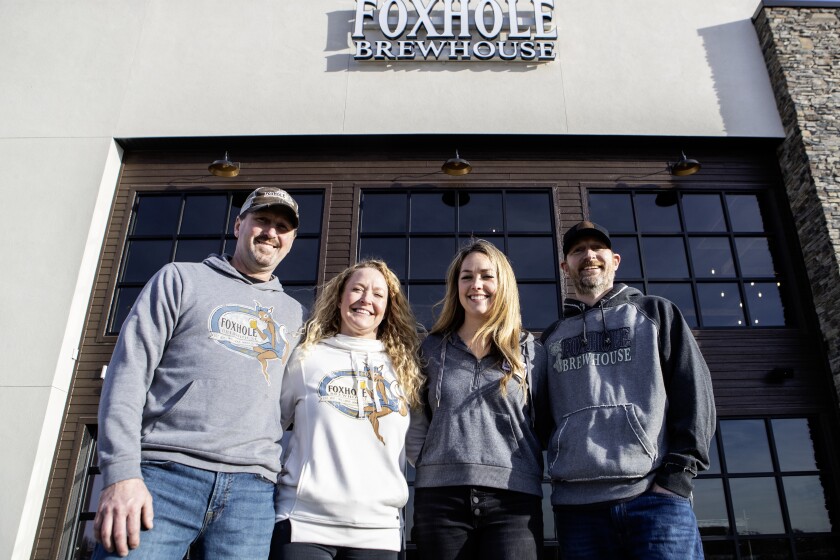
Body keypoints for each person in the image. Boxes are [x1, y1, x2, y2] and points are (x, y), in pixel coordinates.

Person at [93, 187, 307, 559]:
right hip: (162, 476)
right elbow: (127, 376)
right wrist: (120, 473)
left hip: (252, 495)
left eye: (282, 227)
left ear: (290, 241)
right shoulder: (180, 279)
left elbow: (293, 403)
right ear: (239, 225)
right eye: (262, 220)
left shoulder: (295, 315)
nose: (271, 232)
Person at [541, 221, 716, 559]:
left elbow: (695, 397)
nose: (589, 255)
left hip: (655, 502)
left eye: (597, 248)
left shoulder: (656, 313)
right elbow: (541, 421)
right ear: (565, 266)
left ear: (615, 260)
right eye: (578, 250)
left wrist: (676, 479)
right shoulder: (552, 338)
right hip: (578, 513)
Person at [270, 260, 424, 560]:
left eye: (378, 294)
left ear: (388, 308)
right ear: (340, 297)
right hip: (303, 524)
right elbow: (269, 427)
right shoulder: (307, 357)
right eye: (357, 289)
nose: (366, 299)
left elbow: (421, 451)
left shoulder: (405, 369)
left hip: (379, 532)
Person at [406, 239, 549, 560]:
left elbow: (544, 424)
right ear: (455, 286)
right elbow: (415, 420)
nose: (476, 285)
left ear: (503, 284)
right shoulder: (430, 349)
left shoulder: (531, 351)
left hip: (514, 501)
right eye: (467, 277)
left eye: (486, 276)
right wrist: (433, 461)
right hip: (439, 502)